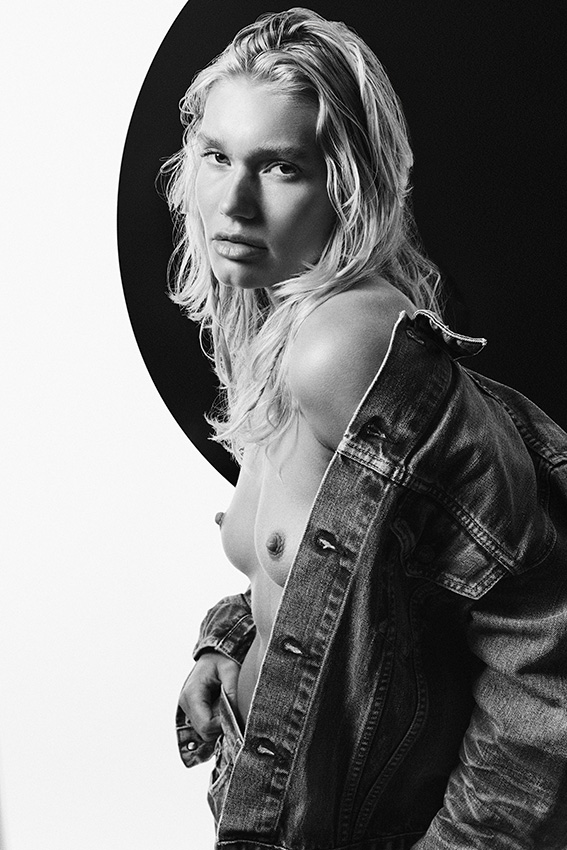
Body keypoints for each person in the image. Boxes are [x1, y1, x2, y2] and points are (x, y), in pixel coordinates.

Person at [163, 8, 567, 849]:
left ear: (349, 183)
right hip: (266, 798)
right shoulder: (271, 324)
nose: (233, 203)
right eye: (216, 157)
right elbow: (336, 572)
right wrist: (229, 644)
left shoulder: (344, 348)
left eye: (280, 167)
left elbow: (545, 630)